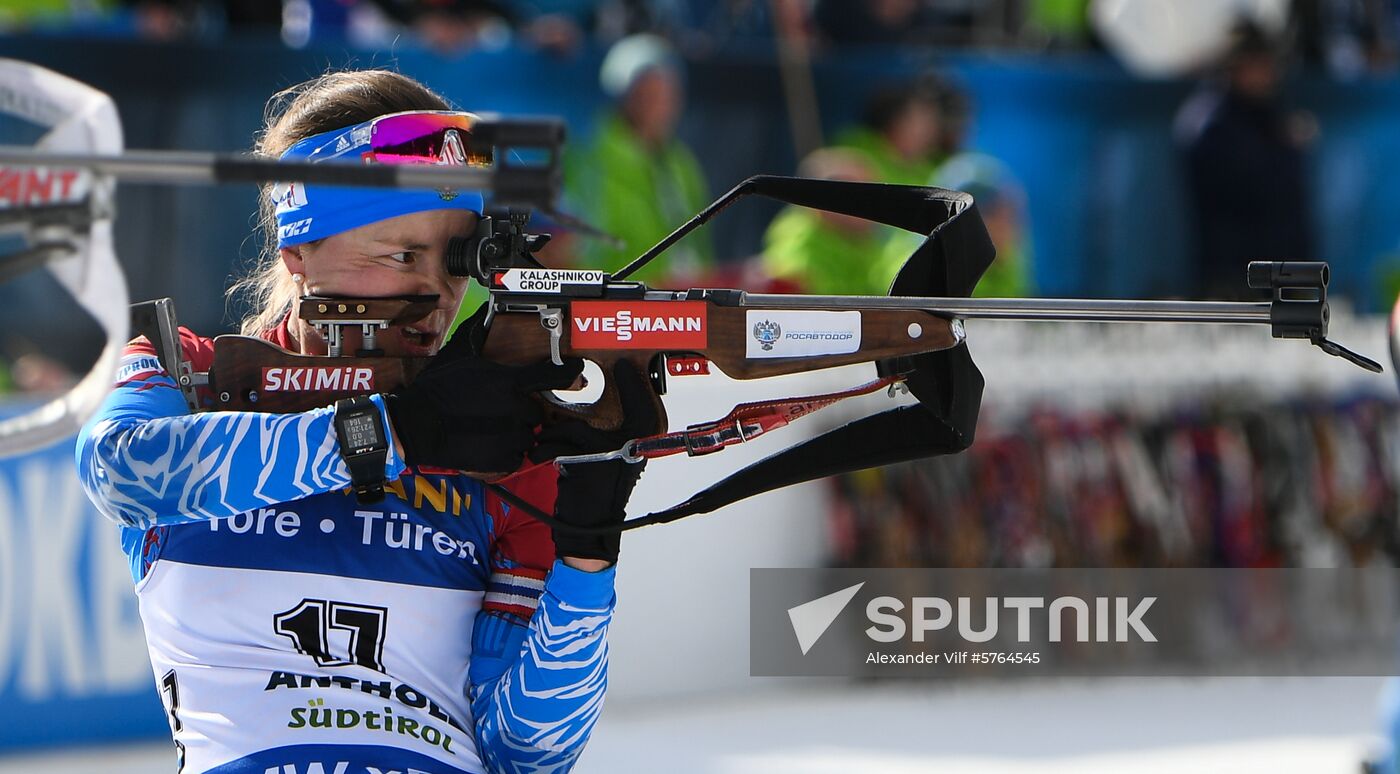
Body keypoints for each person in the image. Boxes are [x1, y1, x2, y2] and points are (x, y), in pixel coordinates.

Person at [75, 69, 651, 774]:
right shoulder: (188, 375)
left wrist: (587, 555)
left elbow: (527, 752)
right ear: (298, 253)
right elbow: (124, 471)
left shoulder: (501, 446)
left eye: (455, 261)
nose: (436, 294)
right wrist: (392, 433)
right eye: (401, 254)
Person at [1174, 21, 1315, 299]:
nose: (1269, 74)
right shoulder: (1211, 125)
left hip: (1280, 275)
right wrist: (1282, 147)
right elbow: (1248, 190)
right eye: (1259, 63)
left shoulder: (1268, 115)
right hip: (1233, 279)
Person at [566, 33, 713, 286]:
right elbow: (574, 251)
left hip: (681, 307)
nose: (660, 106)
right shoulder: (588, 161)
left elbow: (700, 243)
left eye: (668, 94)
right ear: (624, 98)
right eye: (648, 94)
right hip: (616, 309)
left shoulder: (681, 163)